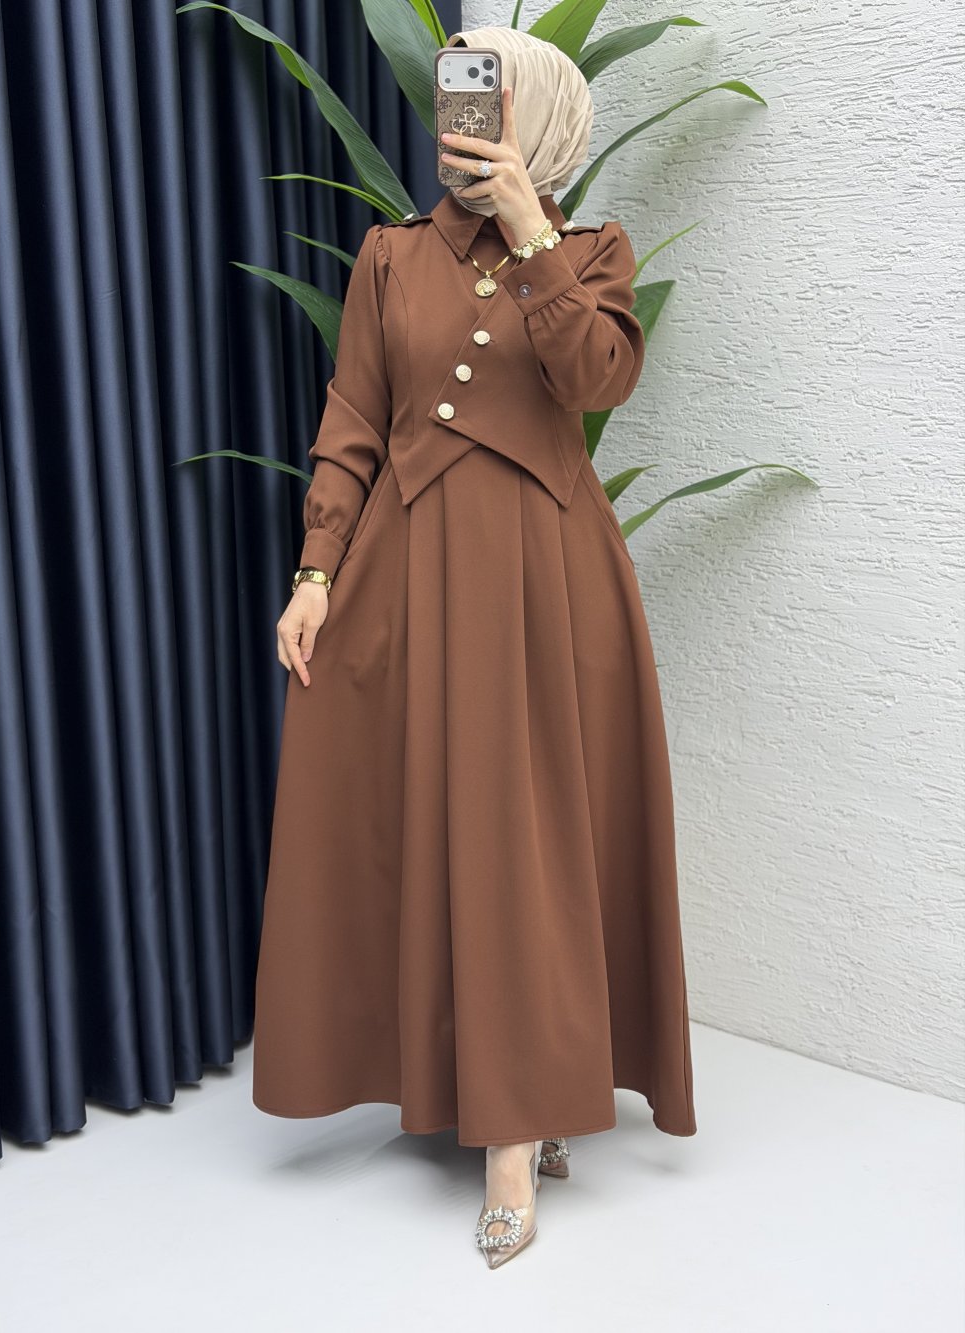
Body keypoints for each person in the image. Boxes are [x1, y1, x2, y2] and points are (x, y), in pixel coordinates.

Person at [251, 25, 697, 1269]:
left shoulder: (590, 253)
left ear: (538, 122)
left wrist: (531, 232)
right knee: (423, 824)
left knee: (524, 841)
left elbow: (595, 379)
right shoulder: (390, 256)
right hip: (406, 577)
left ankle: (519, 1126)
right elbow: (353, 416)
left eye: (495, 104)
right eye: (462, 101)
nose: (469, 124)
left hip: (544, 583)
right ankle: (461, 1082)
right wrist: (316, 570)